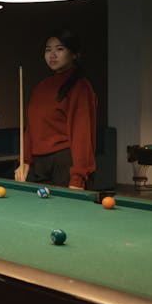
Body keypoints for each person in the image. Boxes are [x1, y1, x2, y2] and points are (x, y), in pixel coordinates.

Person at [15, 29, 96, 189]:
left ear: (74, 54)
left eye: (59, 49)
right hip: (40, 163)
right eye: (48, 50)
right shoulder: (41, 87)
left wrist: (78, 177)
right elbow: (31, 128)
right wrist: (24, 161)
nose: (52, 55)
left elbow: (82, 134)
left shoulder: (80, 86)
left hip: (66, 163)